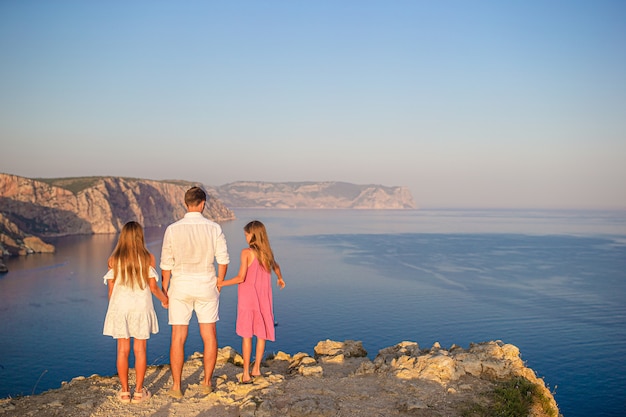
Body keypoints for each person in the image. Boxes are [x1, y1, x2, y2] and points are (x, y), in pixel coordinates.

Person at [160, 186, 230, 398]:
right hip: (206, 285)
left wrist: (165, 291)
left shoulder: (172, 229)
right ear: (203, 204)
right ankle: (207, 383)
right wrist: (219, 282)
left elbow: (166, 265)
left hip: (180, 287)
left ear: (185, 203)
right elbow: (223, 260)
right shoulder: (214, 228)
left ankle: (176, 387)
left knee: (178, 337)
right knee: (209, 336)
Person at [103, 221, 169, 404]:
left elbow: (110, 291)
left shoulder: (113, 259)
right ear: (140, 237)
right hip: (141, 307)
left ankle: (125, 392)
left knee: (122, 351)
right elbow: (153, 287)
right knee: (140, 350)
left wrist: (115, 309)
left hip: (120, 308)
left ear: (122, 237)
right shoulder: (148, 258)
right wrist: (165, 300)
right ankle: (139, 392)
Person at [219, 220, 285, 384]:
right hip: (264, 300)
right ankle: (257, 370)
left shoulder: (246, 253)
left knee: (247, 336)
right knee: (261, 335)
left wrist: (220, 283)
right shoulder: (267, 253)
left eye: (246, 234)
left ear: (253, 234)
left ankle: (246, 373)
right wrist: (280, 278)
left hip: (248, 300)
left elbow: (241, 277)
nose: (246, 238)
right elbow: (276, 266)